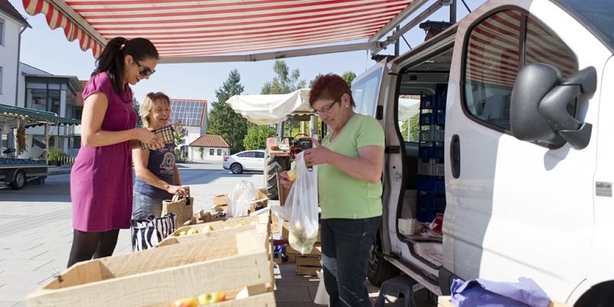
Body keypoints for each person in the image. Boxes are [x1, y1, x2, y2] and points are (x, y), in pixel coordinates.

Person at [280, 74, 385, 306]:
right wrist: (296, 179)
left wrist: (328, 156)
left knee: (350, 289)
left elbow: (372, 172)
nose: (324, 116)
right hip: (331, 217)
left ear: (345, 99)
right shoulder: (330, 136)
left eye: (327, 108)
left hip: (357, 219)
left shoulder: (365, 125)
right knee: (332, 285)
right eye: (319, 111)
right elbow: (328, 173)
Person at [68, 37, 163, 268]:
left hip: (115, 176)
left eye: (151, 72)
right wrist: (135, 134)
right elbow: (89, 137)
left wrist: (143, 142)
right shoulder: (102, 83)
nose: (146, 76)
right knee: (83, 252)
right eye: (144, 69)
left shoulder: (125, 91)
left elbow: (119, 137)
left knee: (106, 252)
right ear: (128, 60)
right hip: (95, 175)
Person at [132, 92, 189, 220]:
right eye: (159, 110)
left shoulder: (167, 134)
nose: (165, 113)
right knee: (148, 238)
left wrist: (179, 187)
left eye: (167, 109)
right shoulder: (143, 136)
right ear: (148, 113)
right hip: (148, 197)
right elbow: (140, 171)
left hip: (167, 196)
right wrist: (169, 187)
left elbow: (172, 165)